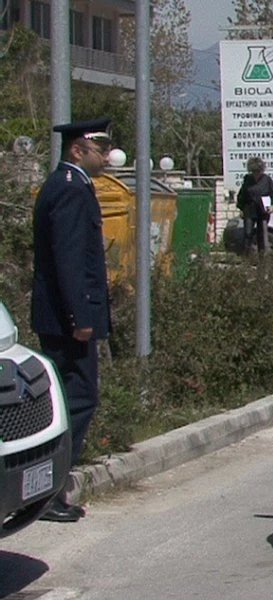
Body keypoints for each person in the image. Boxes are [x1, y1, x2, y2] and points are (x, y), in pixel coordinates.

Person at [31, 118, 115, 523]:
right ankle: (47, 491)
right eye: (101, 149)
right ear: (77, 150)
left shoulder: (72, 184)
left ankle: (48, 490)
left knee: (70, 401)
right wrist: (79, 316)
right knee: (76, 400)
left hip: (66, 316)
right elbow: (69, 259)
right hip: (68, 321)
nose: (107, 157)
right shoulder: (69, 189)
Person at [235, 157, 273, 254]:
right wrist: (241, 207)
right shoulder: (247, 179)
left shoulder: (267, 180)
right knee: (248, 233)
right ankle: (247, 256)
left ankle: (262, 258)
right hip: (249, 209)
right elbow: (241, 195)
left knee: (262, 235)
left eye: (258, 171)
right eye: (254, 171)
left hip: (262, 211)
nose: (256, 173)